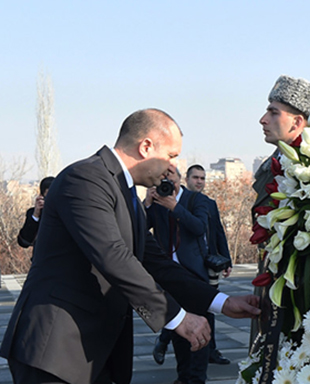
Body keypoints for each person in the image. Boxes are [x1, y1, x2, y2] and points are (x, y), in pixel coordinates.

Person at [0, 108, 260, 384]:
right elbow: (113, 257)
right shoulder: (85, 179)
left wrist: (221, 302)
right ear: (146, 146)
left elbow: (155, 262)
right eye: (171, 155)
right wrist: (177, 317)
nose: (172, 167)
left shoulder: (127, 195)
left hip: (94, 352)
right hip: (55, 352)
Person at [250, 75, 310, 346]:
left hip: (304, 299)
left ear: (298, 122)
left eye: (273, 112)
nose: (263, 119)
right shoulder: (270, 167)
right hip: (272, 286)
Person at [145, 167, 212, 384]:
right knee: (179, 331)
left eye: (170, 177)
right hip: (169, 278)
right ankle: (183, 377)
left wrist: (175, 207)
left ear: (179, 179)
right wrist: (147, 205)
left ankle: (196, 379)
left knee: (201, 332)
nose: (166, 181)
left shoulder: (195, 200)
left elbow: (200, 227)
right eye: (162, 178)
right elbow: (141, 230)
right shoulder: (156, 203)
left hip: (194, 276)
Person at [186, 164, 232, 365]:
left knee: (209, 306)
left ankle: (210, 350)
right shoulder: (177, 202)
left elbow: (218, 231)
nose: (199, 181)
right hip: (186, 265)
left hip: (209, 264)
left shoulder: (209, 203)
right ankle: (164, 340)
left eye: (202, 178)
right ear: (187, 179)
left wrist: (226, 260)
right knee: (182, 305)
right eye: (195, 177)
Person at [17, 176, 54, 248]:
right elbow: (24, 241)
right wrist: (36, 215)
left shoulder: (66, 213)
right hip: (42, 257)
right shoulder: (35, 213)